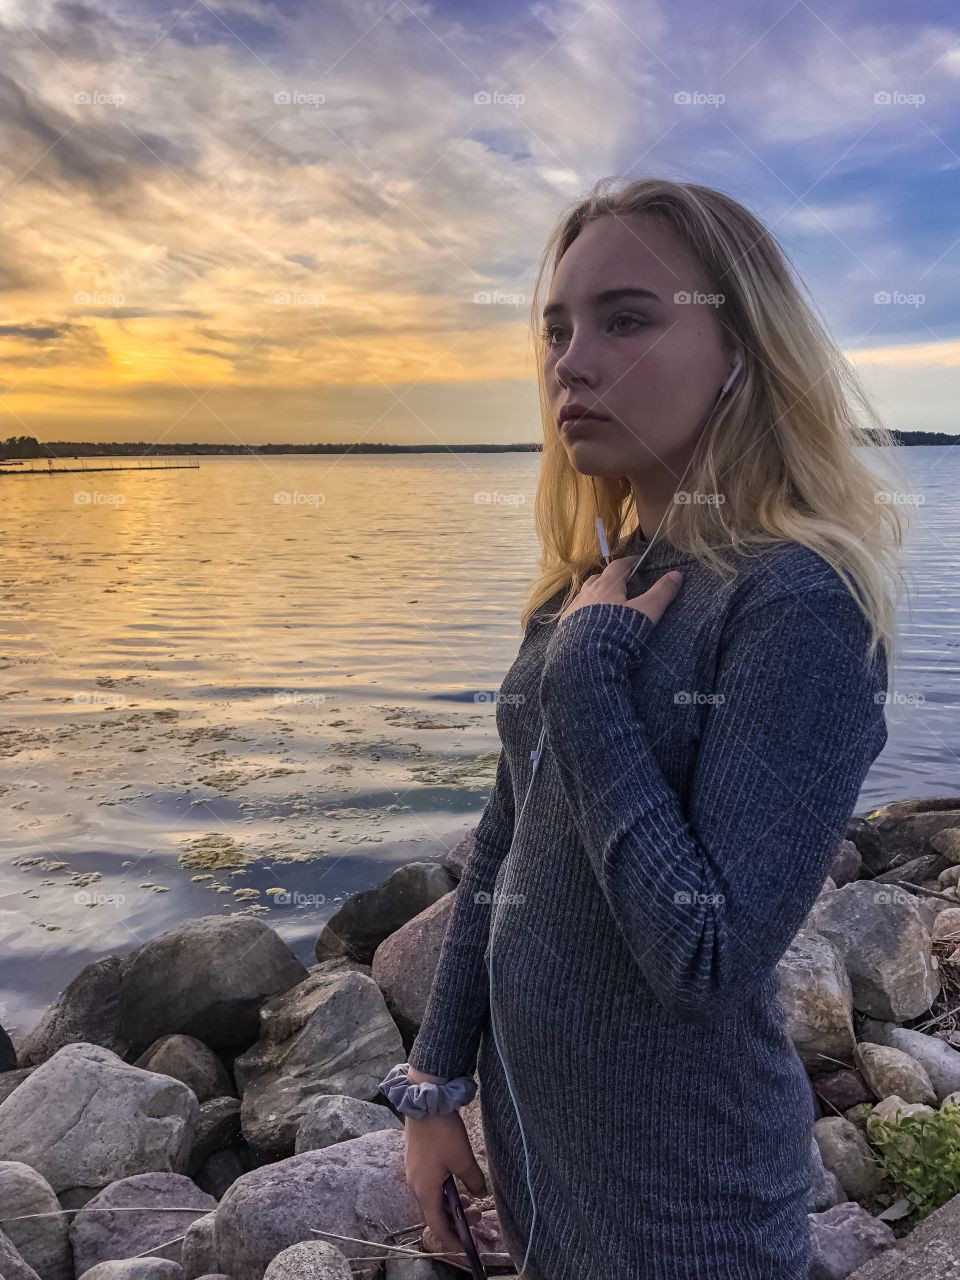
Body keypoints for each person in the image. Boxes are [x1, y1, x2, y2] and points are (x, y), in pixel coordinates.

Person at [379, 177, 912, 1279]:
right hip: (545, 1167)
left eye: (627, 319)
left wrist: (587, 685)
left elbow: (705, 954)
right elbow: (503, 852)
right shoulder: (596, 586)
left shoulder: (796, 603)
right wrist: (434, 1090)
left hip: (687, 1209)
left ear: (742, 349)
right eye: (559, 329)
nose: (571, 362)